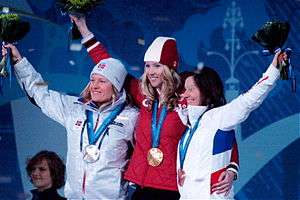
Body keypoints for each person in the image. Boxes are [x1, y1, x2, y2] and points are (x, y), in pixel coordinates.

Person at [70, 16, 240, 200]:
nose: (150, 72)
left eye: (157, 66)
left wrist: (231, 168)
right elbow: (108, 66)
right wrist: (84, 29)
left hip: (170, 188)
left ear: (170, 67)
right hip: (139, 186)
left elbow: (220, 128)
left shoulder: (186, 98)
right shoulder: (142, 93)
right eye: (147, 66)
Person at [3, 44, 139, 199]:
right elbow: (41, 92)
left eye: (102, 81)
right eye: (92, 80)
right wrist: (19, 62)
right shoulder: (75, 108)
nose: (94, 86)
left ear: (116, 86)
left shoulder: (132, 117)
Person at [176, 51, 285, 199]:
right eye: (184, 90)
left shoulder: (219, 117)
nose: (185, 94)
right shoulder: (189, 124)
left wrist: (275, 69)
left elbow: (250, 100)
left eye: (191, 89)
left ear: (207, 91)